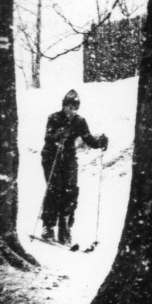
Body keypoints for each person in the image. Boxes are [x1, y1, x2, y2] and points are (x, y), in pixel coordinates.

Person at [40, 90, 108, 245]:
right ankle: (48, 225)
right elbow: (48, 137)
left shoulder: (79, 121)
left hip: (69, 157)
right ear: (63, 106)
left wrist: (99, 143)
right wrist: (57, 134)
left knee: (70, 190)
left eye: (74, 107)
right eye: (68, 107)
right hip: (52, 156)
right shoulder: (54, 118)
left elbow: (87, 138)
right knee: (54, 188)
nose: (71, 110)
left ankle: (65, 226)